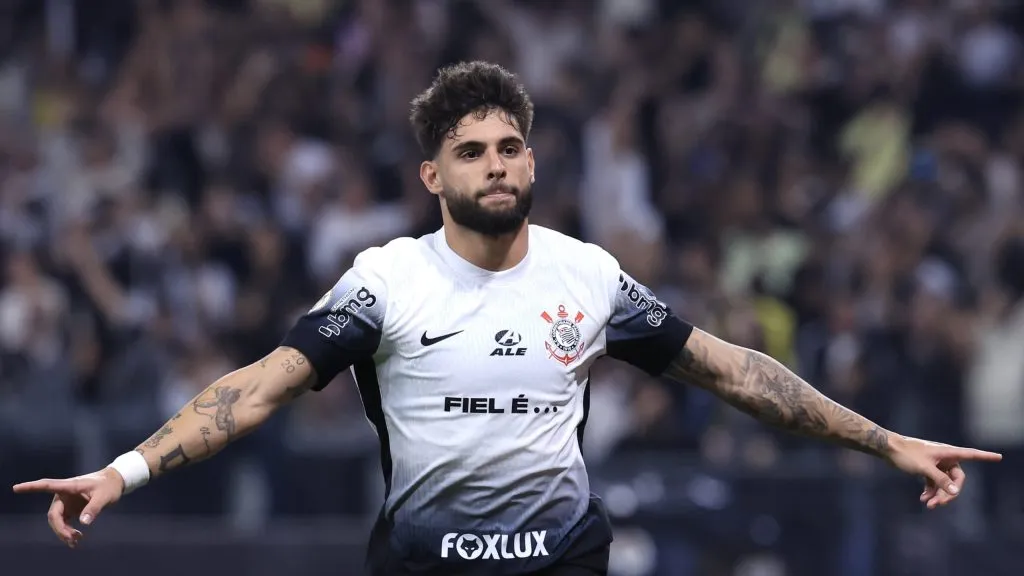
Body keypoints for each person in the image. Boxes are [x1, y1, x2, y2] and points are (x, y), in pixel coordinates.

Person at [13, 61, 1002, 576]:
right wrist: (122, 471)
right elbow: (258, 389)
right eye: (472, 148)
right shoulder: (385, 281)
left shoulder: (589, 274)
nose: (495, 161)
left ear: (532, 165)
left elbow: (737, 373)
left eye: (511, 145)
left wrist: (887, 444)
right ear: (431, 175)